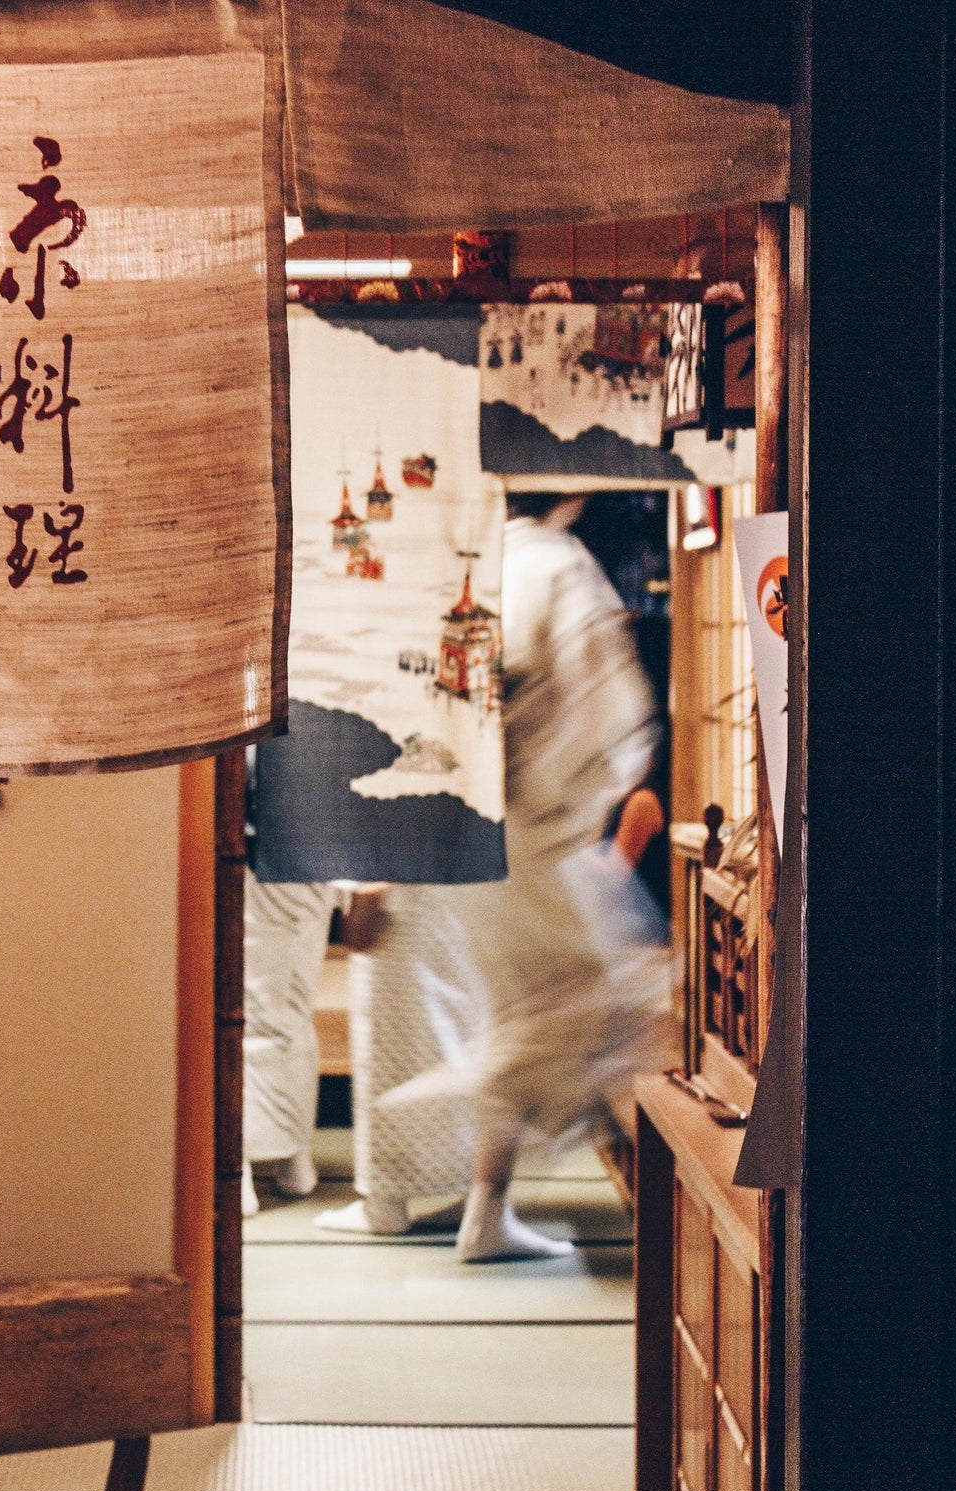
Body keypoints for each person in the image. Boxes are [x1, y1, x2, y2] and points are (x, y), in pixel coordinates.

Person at [332, 492, 675, 1258]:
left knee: (531, 1010)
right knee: (620, 1007)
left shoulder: (469, 566)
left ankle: (488, 1211)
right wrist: (606, 784)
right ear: (570, 489)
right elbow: (610, 705)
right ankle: (674, 1235)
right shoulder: (556, 563)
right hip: (539, 829)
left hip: (472, 834)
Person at [241, 872, 337, 1215]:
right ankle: (296, 1160)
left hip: (260, 856)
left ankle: (241, 1167)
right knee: (290, 1013)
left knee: (253, 1012)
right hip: (311, 859)